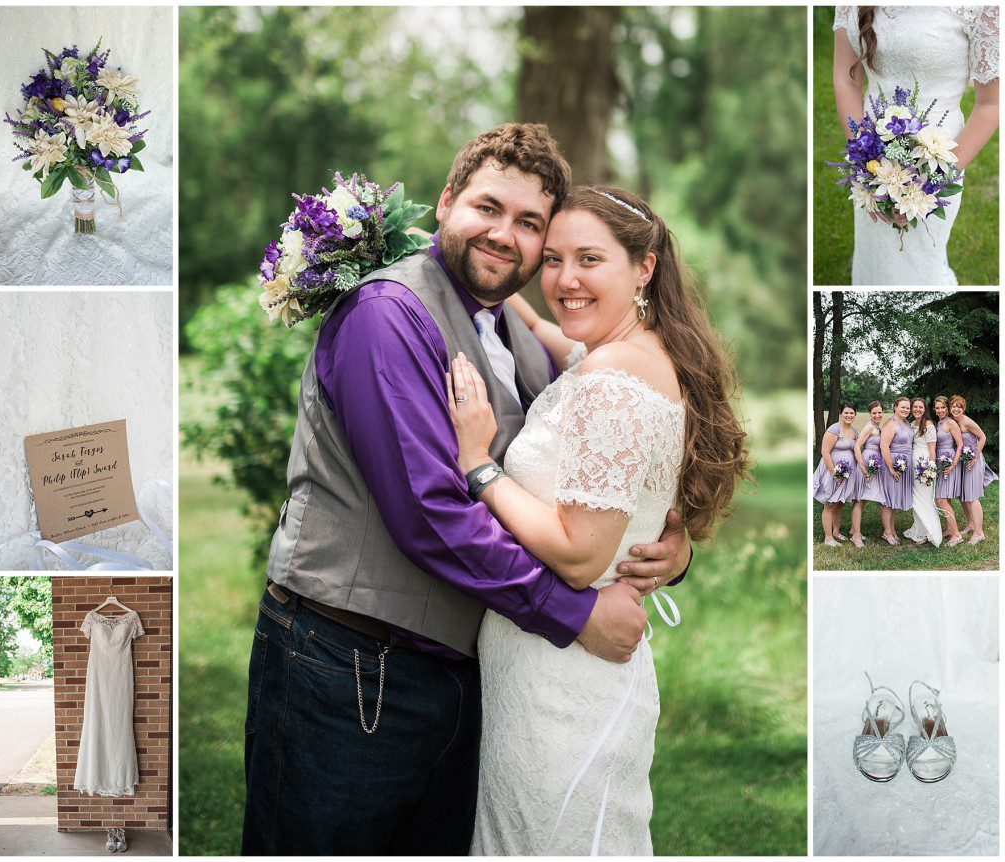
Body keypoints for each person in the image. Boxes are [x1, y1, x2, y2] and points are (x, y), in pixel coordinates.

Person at [240, 124, 692, 856]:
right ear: (447, 200)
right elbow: (430, 511)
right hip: (348, 662)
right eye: (488, 207)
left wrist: (665, 548)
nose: (504, 235)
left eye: (528, 225)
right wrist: (573, 612)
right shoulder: (387, 316)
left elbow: (580, 480)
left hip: (466, 674)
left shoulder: (518, 335)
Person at [448, 185, 748, 854]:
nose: (565, 278)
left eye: (589, 259)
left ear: (643, 267)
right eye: (551, 259)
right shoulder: (625, 353)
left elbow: (581, 554)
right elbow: (556, 336)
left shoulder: (614, 383)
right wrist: (477, 277)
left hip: (565, 680)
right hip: (554, 668)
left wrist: (480, 465)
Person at [832, 6, 999, 285]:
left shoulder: (983, 7)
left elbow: (991, 104)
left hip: (939, 162)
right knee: (875, 257)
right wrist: (865, 161)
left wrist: (931, 184)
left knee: (922, 262)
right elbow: (845, 80)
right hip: (871, 160)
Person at [950, 394, 998, 544]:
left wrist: (975, 456)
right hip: (962, 462)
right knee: (962, 496)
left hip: (972, 461)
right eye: (954, 406)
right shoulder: (952, 422)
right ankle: (971, 523)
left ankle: (979, 533)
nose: (956, 409)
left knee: (972, 497)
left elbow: (982, 437)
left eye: (959, 406)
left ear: (963, 409)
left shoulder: (967, 422)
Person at [813, 403, 858, 548]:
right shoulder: (834, 429)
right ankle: (828, 537)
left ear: (855, 415)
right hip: (832, 471)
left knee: (840, 503)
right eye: (846, 413)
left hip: (847, 473)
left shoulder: (855, 430)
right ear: (841, 414)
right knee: (830, 504)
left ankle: (837, 531)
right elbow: (825, 452)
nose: (849, 416)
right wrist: (834, 473)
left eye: (851, 413)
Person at [902, 397, 942, 547]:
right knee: (915, 498)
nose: (917, 409)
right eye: (915, 407)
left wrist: (929, 470)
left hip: (924, 465)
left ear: (925, 409)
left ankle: (929, 532)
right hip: (913, 463)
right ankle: (919, 529)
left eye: (920, 407)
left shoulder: (929, 425)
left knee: (924, 498)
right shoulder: (912, 424)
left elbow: (932, 450)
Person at [849, 400, 888, 546]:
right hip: (866, 463)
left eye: (879, 412)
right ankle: (856, 536)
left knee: (863, 498)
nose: (877, 415)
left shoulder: (878, 427)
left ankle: (854, 529)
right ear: (870, 414)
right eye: (874, 413)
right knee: (859, 499)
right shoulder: (869, 427)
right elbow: (857, 447)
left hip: (874, 464)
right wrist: (863, 467)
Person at [878, 396, 914, 544]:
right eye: (902, 407)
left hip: (904, 465)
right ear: (895, 407)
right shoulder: (890, 424)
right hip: (892, 465)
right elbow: (884, 446)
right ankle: (887, 532)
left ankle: (891, 530)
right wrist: (891, 467)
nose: (905, 410)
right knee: (888, 499)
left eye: (907, 407)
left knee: (894, 499)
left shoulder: (906, 423)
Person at [932, 394, 964, 545]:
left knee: (941, 499)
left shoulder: (950, 423)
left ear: (947, 408)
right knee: (946, 498)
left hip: (949, 462)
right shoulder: (938, 423)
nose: (940, 410)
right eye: (937, 408)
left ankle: (957, 534)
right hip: (940, 463)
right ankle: (949, 529)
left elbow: (960, 445)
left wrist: (953, 464)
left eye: (942, 407)